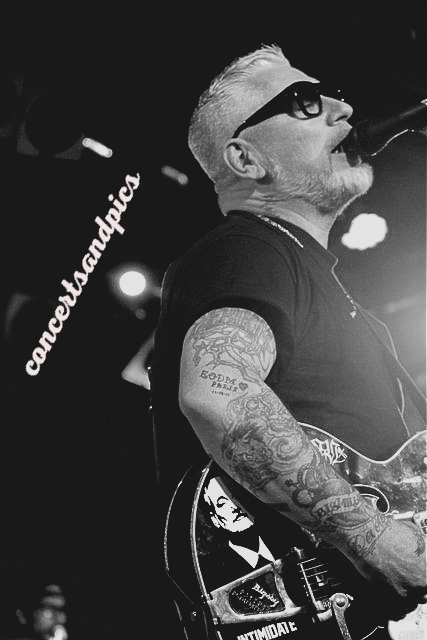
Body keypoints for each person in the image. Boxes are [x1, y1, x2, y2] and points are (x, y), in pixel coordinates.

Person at [150, 44, 426, 639]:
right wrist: (370, 536)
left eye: (333, 95)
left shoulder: (333, 294)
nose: (342, 109)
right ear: (246, 159)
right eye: (304, 102)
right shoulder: (245, 249)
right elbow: (219, 393)